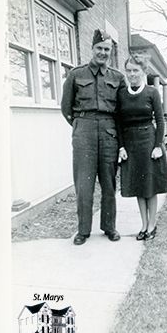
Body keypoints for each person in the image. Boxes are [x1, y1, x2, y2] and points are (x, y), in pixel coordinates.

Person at [61, 29, 126, 245]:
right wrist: (81, 126)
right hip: (84, 132)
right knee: (84, 184)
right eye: (99, 48)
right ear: (92, 49)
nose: (103, 52)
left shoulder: (117, 77)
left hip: (109, 132)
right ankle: (83, 231)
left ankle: (109, 226)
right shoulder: (76, 74)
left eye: (107, 49)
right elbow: (66, 108)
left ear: (110, 51)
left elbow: (122, 111)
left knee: (109, 183)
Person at [117, 55, 167, 240]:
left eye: (135, 70)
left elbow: (161, 120)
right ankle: (144, 225)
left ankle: (152, 225)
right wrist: (121, 147)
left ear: (143, 72)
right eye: (129, 70)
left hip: (148, 141)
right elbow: (119, 123)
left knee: (150, 186)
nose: (132, 74)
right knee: (139, 187)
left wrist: (158, 145)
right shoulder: (122, 94)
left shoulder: (152, 92)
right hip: (130, 144)